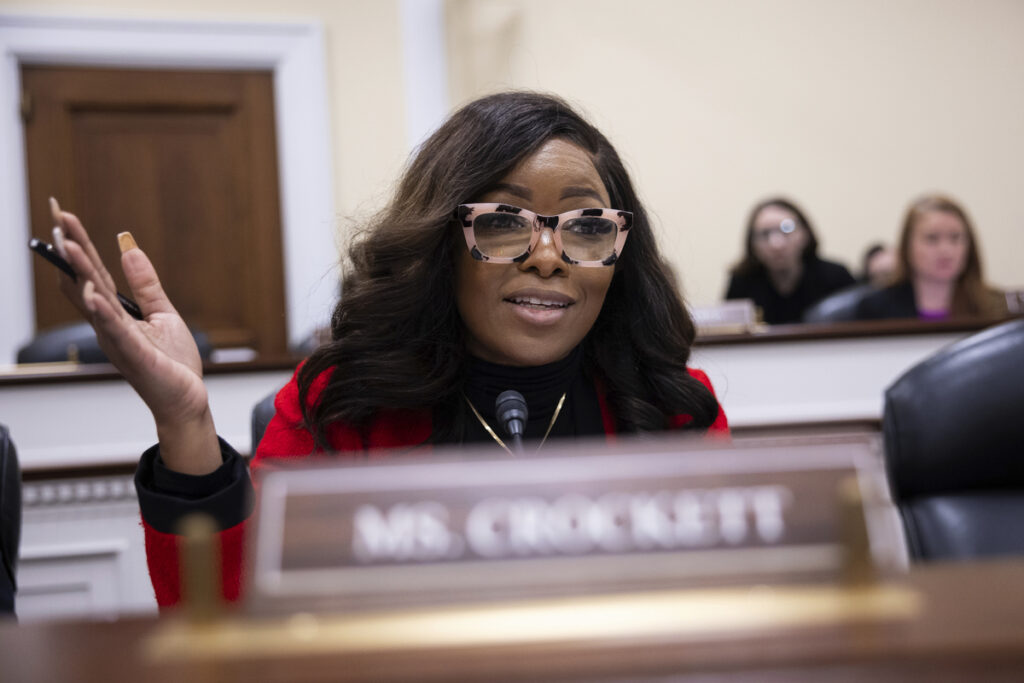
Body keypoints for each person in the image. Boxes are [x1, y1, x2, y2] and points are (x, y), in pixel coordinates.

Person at [50, 92, 729, 608]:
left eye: (585, 226)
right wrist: (186, 424)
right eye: (500, 223)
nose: (549, 258)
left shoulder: (670, 405)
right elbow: (228, 625)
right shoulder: (342, 403)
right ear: (439, 244)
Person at [855, 194, 1007, 321]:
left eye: (955, 238)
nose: (946, 250)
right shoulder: (874, 308)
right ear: (907, 246)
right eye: (932, 238)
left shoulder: (997, 305)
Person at [724, 198, 855, 324]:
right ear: (752, 244)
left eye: (787, 228)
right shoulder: (742, 283)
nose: (776, 244)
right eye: (765, 234)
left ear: (805, 234)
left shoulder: (835, 277)